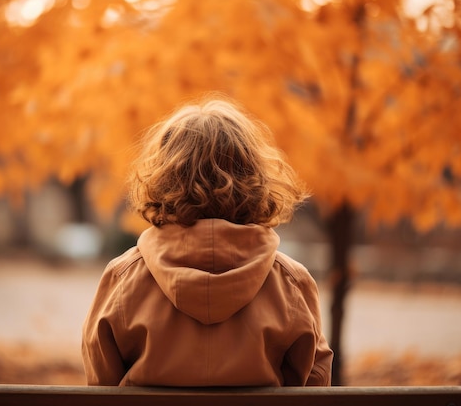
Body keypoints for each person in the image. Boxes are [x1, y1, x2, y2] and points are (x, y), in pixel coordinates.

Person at [81, 95, 333, 387]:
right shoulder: (291, 283)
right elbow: (315, 383)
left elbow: (101, 385)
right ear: (253, 178)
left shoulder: (123, 279)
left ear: (165, 179)